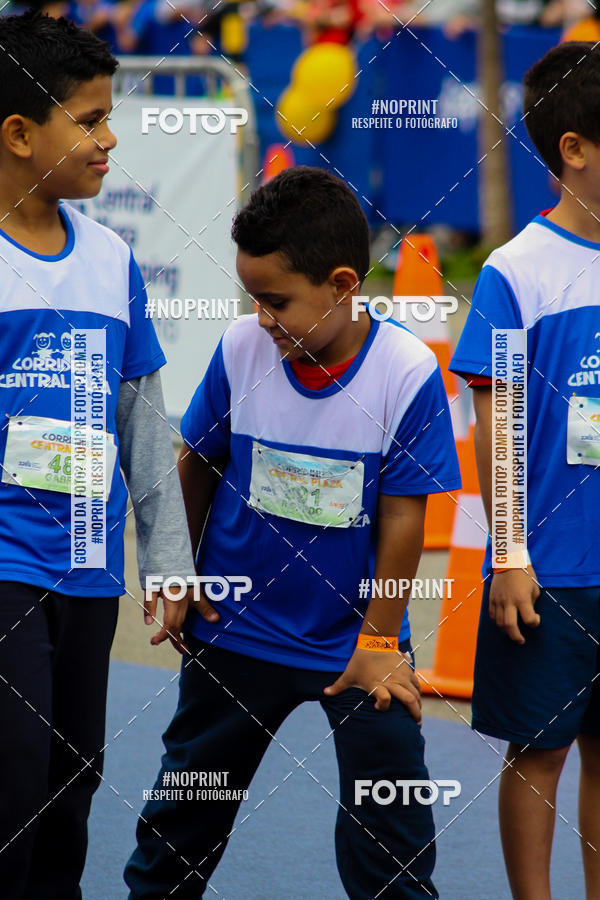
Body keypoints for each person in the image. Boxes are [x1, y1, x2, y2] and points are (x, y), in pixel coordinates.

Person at [124, 165, 461, 899]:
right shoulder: (243, 348)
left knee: (391, 831)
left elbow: (407, 515)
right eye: (253, 299)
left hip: (356, 642)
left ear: (342, 285)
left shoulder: (404, 372)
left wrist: (379, 643)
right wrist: (176, 572)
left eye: (277, 301)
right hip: (236, 629)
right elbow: (198, 460)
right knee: (184, 817)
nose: (262, 318)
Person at [0, 11, 196, 899]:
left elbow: (143, 420)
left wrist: (167, 560)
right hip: (4, 566)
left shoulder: (111, 259)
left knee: (68, 790)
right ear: (17, 132)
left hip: (87, 571)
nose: (110, 138)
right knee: (12, 779)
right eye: (88, 119)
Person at [449, 41, 600, 900]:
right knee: (540, 750)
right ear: (573, 149)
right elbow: (493, 426)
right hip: (548, 570)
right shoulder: (515, 272)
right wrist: (509, 554)